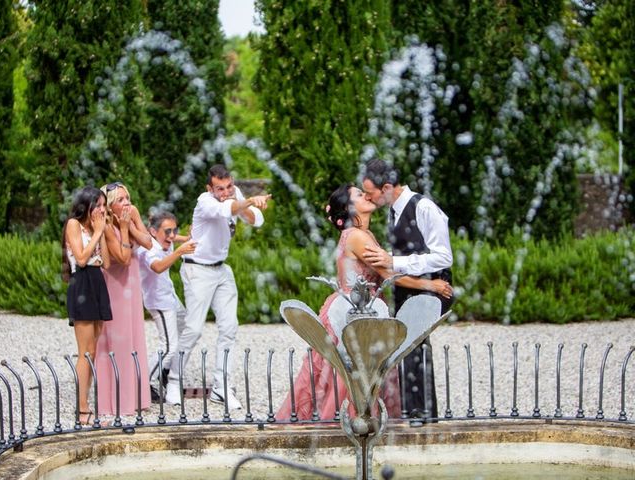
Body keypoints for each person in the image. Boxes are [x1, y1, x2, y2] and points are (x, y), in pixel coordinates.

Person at [275, 183, 453, 421]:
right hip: (353, 314)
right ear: (350, 208)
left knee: (348, 372)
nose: (367, 195)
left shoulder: (362, 234)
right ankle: (346, 423)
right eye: (359, 194)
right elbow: (390, 275)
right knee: (351, 373)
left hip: (361, 308)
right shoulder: (358, 236)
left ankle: (356, 421)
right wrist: (432, 285)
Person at [165, 164, 272, 408]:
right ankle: (173, 380)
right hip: (196, 268)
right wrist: (244, 203)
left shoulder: (235, 195)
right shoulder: (205, 201)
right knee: (193, 328)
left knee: (229, 327)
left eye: (228, 186)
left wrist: (249, 206)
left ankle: (221, 386)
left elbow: (257, 220)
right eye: (219, 188)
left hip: (221, 269)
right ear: (210, 188)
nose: (225, 191)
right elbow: (226, 209)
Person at [361, 158, 454, 421]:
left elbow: (443, 257)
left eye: (370, 192)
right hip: (409, 289)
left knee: (415, 344)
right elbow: (408, 250)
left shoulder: (424, 208)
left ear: (387, 187)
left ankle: (420, 413)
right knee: (410, 345)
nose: (368, 197)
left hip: (435, 289)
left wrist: (394, 262)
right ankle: (420, 412)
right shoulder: (394, 210)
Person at [95, 182, 153, 416]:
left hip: (131, 282)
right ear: (110, 206)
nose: (126, 202)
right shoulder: (107, 224)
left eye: (127, 197)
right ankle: (118, 400)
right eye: (120, 200)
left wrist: (128, 225)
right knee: (117, 339)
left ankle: (137, 397)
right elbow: (122, 257)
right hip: (114, 283)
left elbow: (148, 242)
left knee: (134, 335)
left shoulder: (133, 213)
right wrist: (124, 228)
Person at [62, 186, 112, 425]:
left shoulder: (95, 228)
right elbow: (81, 259)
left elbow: (107, 262)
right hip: (81, 282)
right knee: (85, 350)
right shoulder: (74, 224)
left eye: (104, 205)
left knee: (94, 349)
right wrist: (96, 232)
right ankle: (82, 409)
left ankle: (87, 404)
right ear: (87, 205)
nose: (102, 209)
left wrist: (101, 232)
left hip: (97, 281)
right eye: (98, 205)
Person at [137, 211, 196, 401]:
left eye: (174, 230)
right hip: (159, 302)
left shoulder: (167, 239)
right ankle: (142, 382)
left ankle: (165, 370)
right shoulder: (147, 249)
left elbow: (177, 237)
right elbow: (158, 267)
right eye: (167, 232)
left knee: (187, 328)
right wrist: (180, 251)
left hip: (170, 296)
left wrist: (187, 237)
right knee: (170, 346)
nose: (172, 236)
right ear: (153, 232)